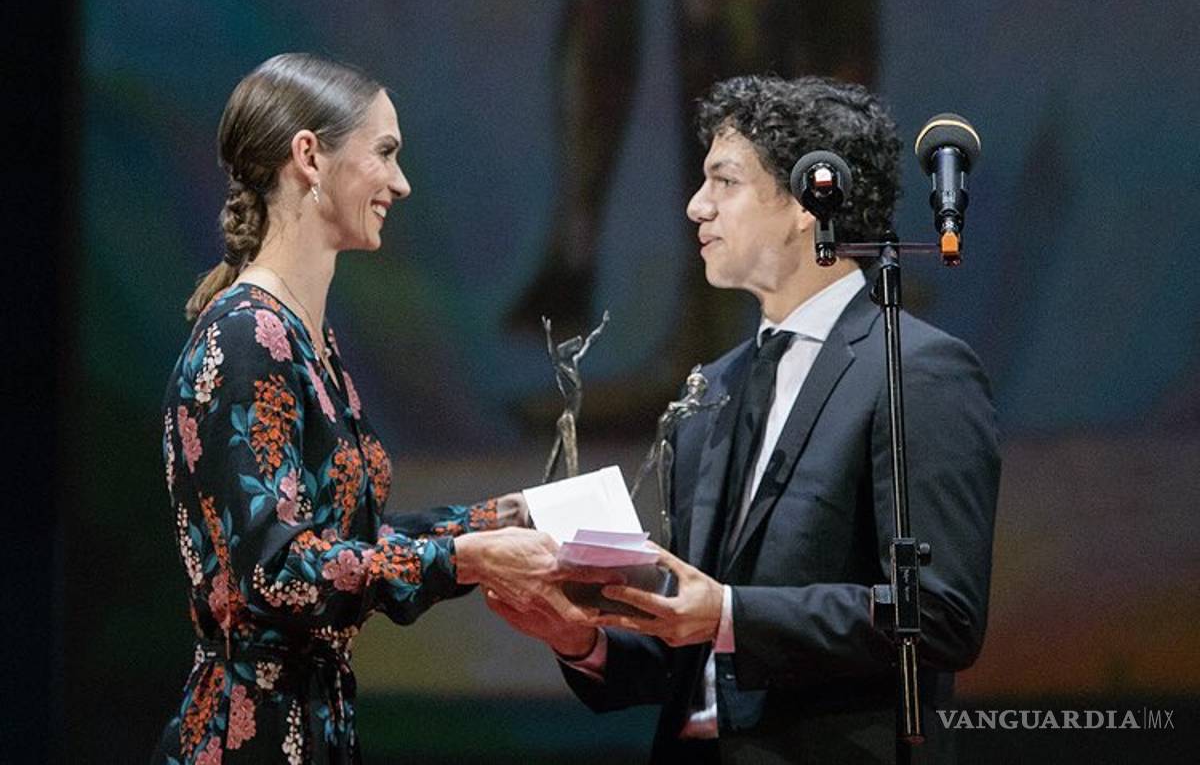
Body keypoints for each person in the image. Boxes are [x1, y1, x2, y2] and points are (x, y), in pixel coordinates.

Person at [488, 75, 1001, 763]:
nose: (697, 206)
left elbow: (942, 615)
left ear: (808, 198)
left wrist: (731, 614)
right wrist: (582, 637)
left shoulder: (919, 370)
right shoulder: (717, 383)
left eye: (724, 182)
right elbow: (690, 644)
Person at [154, 53, 593, 764]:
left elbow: (345, 537)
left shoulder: (301, 335)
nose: (401, 182)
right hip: (252, 742)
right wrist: (465, 557)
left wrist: (502, 519)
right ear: (309, 156)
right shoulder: (248, 337)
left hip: (314, 728)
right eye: (384, 153)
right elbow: (279, 574)